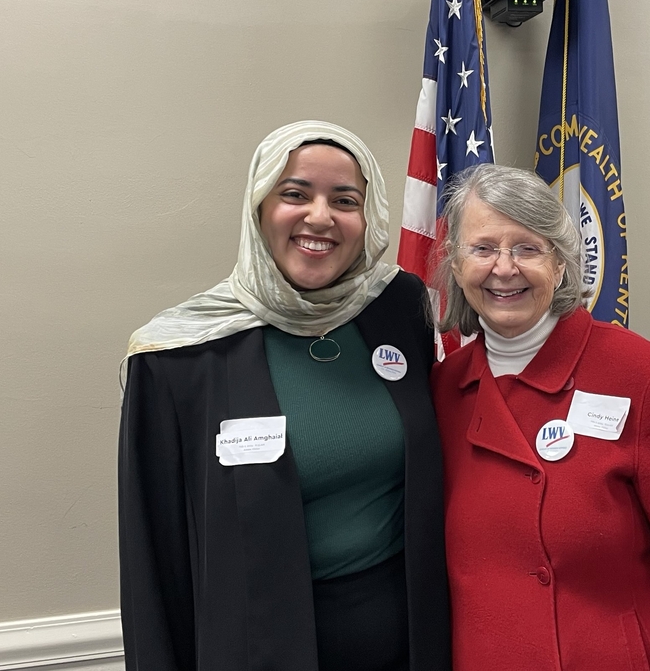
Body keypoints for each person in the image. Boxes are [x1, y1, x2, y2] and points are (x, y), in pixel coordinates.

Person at [119, 121, 450, 671]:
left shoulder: (398, 308)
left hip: (412, 640)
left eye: (345, 200)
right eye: (294, 194)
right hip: (258, 646)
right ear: (259, 207)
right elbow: (155, 561)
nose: (320, 217)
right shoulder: (177, 358)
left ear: (367, 219)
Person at [430, 164, 650, 671]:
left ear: (561, 264)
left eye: (526, 248)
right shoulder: (442, 391)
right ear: (455, 265)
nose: (504, 268)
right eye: (482, 248)